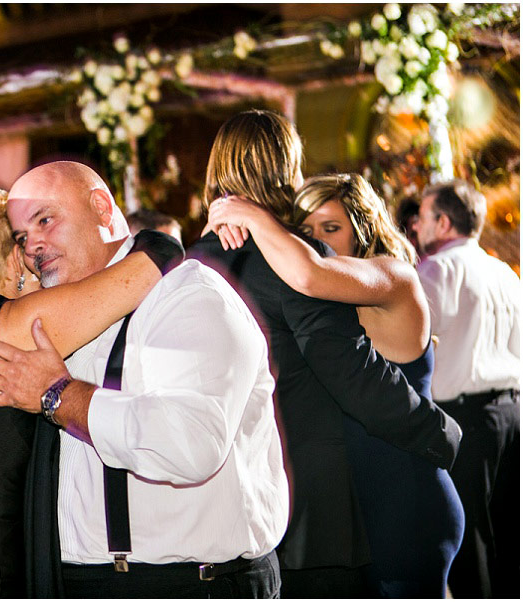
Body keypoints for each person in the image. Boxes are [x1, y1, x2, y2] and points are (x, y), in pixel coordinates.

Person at [0, 161, 289, 598]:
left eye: (45, 219)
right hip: (79, 582)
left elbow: (190, 444)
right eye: (23, 237)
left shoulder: (187, 295)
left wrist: (58, 395)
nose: (33, 246)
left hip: (188, 583)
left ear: (102, 208)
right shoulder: (53, 313)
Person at [187, 110, 461, 598]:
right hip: (311, 509)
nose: (318, 237)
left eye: (331, 226)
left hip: (294, 504)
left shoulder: (196, 262)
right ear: (285, 168)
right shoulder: (290, 260)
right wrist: (442, 432)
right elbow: (350, 373)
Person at [0, 187, 182, 596]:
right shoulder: (11, 326)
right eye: (24, 241)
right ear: (13, 260)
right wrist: (155, 237)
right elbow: (148, 268)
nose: (37, 252)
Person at [413, 179, 520, 599]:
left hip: (468, 420)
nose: (418, 227)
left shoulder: (437, 269)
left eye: (422, 217)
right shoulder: (503, 271)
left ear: (442, 222)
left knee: (469, 537)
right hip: (512, 413)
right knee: (510, 533)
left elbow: (415, 340)